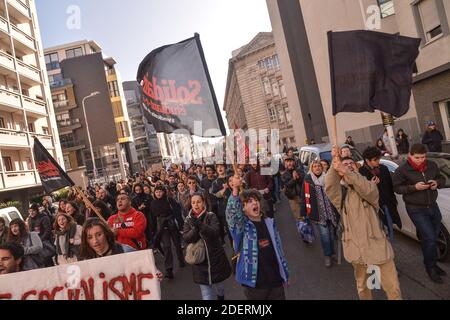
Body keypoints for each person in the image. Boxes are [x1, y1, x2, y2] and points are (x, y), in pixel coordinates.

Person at [325, 147, 402, 300]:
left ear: (357, 168)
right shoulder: (341, 195)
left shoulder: (369, 185)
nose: (347, 166)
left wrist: (345, 170)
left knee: (393, 287)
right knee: (364, 288)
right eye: (344, 165)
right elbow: (329, 185)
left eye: (351, 164)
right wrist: (335, 161)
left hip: (377, 246)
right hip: (356, 249)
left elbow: (367, 190)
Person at [226, 178, 289, 300]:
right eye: (249, 201)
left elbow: (279, 251)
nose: (254, 203)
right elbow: (232, 215)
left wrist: (284, 273)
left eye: (256, 200)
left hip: (275, 281)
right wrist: (234, 189)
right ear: (243, 208)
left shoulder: (270, 223)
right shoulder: (242, 228)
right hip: (255, 286)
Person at [393, 143, 446, 283]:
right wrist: (413, 187)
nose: (421, 160)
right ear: (410, 155)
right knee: (430, 238)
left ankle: (433, 263)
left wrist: (437, 183)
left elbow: (442, 178)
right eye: (417, 157)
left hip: (433, 206)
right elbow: (397, 188)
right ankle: (430, 268)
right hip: (416, 208)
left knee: (432, 237)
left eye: (423, 157)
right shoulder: (402, 169)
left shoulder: (432, 165)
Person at [183, 192, 231, 300]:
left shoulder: (211, 216)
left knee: (220, 288)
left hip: (216, 259)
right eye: (193, 202)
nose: (196, 205)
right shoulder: (188, 219)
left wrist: (200, 225)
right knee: (206, 295)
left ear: (204, 203)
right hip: (200, 262)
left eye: (199, 202)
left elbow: (215, 232)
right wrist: (195, 229)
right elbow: (186, 238)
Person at [300, 161, 339, 267]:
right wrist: (303, 212)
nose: (317, 168)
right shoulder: (308, 180)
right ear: (311, 169)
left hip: (330, 212)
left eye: (319, 166)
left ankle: (333, 253)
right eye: (315, 166)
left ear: (322, 168)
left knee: (331, 234)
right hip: (318, 213)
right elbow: (304, 196)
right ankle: (327, 255)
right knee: (324, 235)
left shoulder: (327, 178)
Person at [359, 147, 403, 237]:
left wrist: (394, 201)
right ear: (367, 160)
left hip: (387, 204)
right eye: (375, 160)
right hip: (373, 207)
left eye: (378, 159)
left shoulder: (383, 169)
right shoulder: (361, 172)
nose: (378, 161)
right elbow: (362, 192)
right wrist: (371, 184)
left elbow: (390, 186)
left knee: (389, 230)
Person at [151, 185, 185, 279]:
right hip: (162, 227)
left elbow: (177, 213)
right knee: (167, 246)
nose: (158, 193)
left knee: (177, 243)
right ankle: (169, 269)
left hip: (172, 224)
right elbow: (153, 217)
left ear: (164, 192)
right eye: (156, 192)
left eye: (160, 191)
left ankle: (181, 260)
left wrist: (181, 226)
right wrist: (153, 230)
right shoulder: (153, 203)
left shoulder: (170, 200)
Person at [281, 157, 305, 222]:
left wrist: (298, 177)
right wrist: (294, 179)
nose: (289, 163)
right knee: (299, 218)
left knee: (307, 216)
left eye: (291, 161)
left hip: (302, 196)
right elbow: (287, 185)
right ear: (285, 163)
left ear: (294, 162)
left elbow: (304, 180)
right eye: (287, 162)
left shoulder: (299, 170)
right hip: (293, 198)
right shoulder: (284, 174)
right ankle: (302, 230)